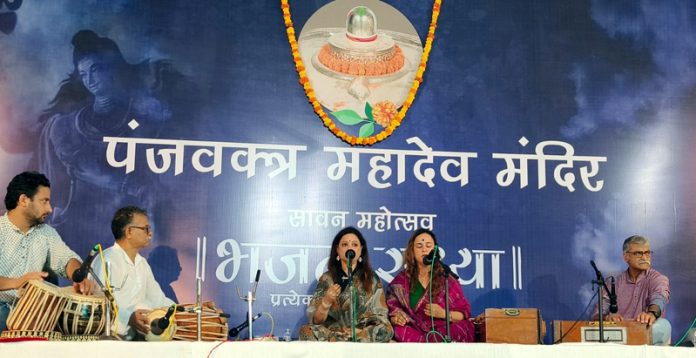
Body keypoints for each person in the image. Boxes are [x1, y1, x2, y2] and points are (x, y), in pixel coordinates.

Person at [0, 171, 93, 332]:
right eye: (44, 201)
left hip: (31, 313)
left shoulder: (46, 233)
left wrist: (77, 275)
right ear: (23, 200)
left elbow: (66, 259)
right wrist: (17, 282)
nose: (50, 209)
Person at [91, 206, 174, 340]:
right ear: (129, 231)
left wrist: (188, 311)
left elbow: (159, 300)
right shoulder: (108, 259)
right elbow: (101, 304)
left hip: (134, 340)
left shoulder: (142, 264)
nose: (150, 233)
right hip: (108, 339)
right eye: (146, 228)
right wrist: (128, 318)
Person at [299, 227, 393, 342]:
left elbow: (380, 315)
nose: (350, 248)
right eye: (344, 244)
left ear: (361, 250)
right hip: (334, 333)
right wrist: (326, 302)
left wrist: (360, 331)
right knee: (306, 330)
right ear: (337, 250)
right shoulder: (327, 279)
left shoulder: (371, 278)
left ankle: (353, 339)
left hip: (363, 333)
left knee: (386, 330)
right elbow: (315, 321)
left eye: (354, 245)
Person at [386, 228, 475, 342]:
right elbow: (392, 312)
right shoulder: (400, 282)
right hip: (415, 331)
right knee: (399, 330)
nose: (424, 249)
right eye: (419, 246)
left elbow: (464, 314)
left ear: (435, 250)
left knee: (464, 327)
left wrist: (443, 313)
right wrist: (396, 319)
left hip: (443, 330)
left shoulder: (446, 277)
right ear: (412, 251)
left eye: (428, 246)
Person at [592, 235, 671, 345]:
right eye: (639, 253)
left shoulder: (658, 278)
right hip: (618, 341)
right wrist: (607, 318)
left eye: (647, 253)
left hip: (647, 338)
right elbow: (597, 315)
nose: (644, 257)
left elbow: (660, 297)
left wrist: (651, 314)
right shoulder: (613, 283)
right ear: (626, 257)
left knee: (663, 325)